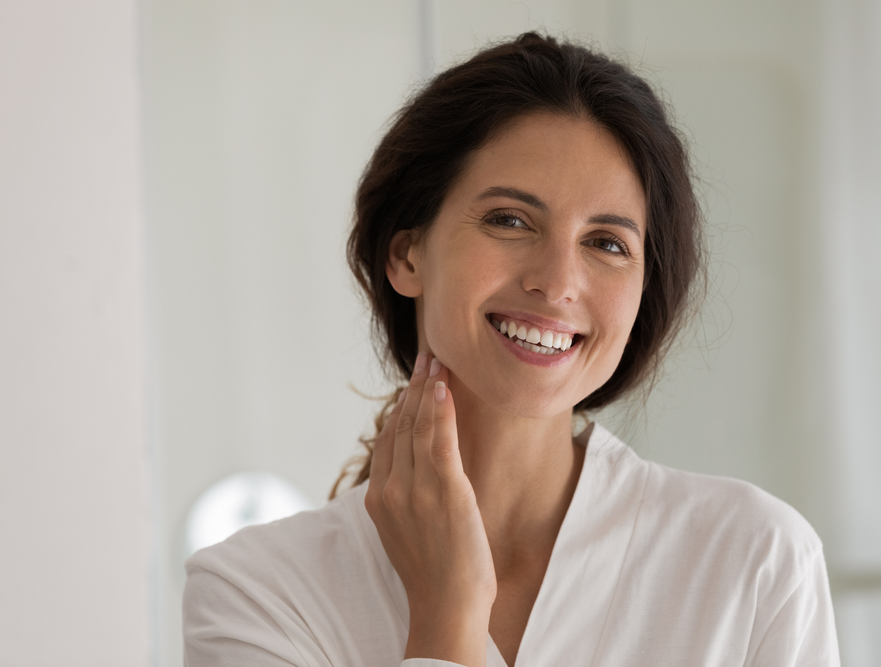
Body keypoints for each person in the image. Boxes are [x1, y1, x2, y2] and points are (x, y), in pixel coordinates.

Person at [182, 33, 840, 667]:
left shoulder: (755, 562)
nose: (556, 282)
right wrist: (449, 613)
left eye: (607, 242)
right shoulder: (256, 595)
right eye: (510, 220)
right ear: (407, 253)